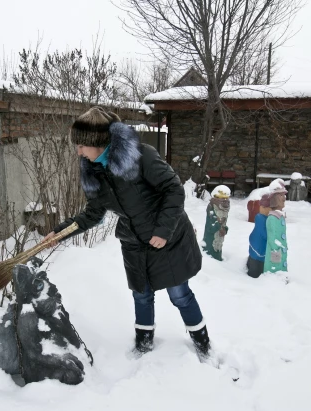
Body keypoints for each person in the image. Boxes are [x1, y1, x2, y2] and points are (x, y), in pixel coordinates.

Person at [44, 106, 210, 359]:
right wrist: (58, 233)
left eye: (81, 145)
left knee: (180, 295)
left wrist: (163, 230)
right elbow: (92, 214)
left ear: (96, 142)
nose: (77, 151)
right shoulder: (93, 171)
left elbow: (174, 190)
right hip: (133, 241)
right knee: (141, 295)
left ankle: (202, 343)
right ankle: (143, 344)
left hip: (167, 238)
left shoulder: (142, 156)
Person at [264, 181, 288, 274]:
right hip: (275, 252)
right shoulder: (272, 218)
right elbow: (272, 238)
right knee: (274, 269)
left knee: (281, 268)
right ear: (274, 199)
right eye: (281, 196)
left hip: (281, 250)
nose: (284, 199)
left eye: (284, 195)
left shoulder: (280, 216)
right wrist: (277, 250)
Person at [202, 185, 231, 261]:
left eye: (226, 198)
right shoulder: (212, 208)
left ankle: (218, 259)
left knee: (218, 248)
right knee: (212, 253)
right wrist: (219, 224)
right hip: (211, 242)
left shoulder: (224, 209)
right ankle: (214, 262)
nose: (225, 201)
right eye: (222, 199)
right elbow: (210, 228)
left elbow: (224, 225)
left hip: (219, 240)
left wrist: (225, 229)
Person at [247, 193, 271, 278]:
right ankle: (253, 275)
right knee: (257, 262)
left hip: (256, 242)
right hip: (258, 245)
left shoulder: (263, 218)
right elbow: (265, 234)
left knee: (254, 258)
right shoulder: (261, 218)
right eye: (269, 208)